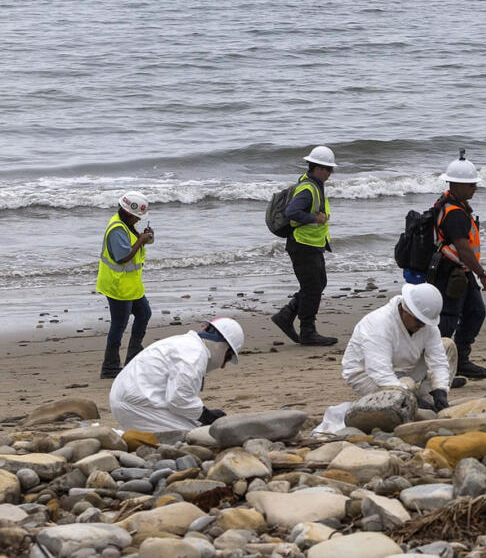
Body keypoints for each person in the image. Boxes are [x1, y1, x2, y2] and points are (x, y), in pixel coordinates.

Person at [109, 317, 243, 433]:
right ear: (223, 347)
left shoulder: (187, 344)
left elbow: (178, 401)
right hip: (138, 404)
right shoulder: (194, 355)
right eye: (228, 357)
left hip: (134, 398)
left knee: (195, 428)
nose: (223, 365)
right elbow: (179, 400)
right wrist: (207, 415)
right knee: (190, 438)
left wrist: (201, 415)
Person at [342, 283, 456, 411]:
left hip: (404, 368)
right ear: (405, 309)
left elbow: (438, 361)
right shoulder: (378, 324)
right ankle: (417, 403)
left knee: (447, 346)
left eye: (425, 322)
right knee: (406, 389)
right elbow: (380, 372)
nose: (422, 325)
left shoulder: (426, 324)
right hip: (366, 375)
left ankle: (430, 399)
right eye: (419, 321)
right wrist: (411, 398)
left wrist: (440, 389)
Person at [431, 151, 486, 381]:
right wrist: (482, 274)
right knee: (448, 321)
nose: (474, 188)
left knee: (475, 312)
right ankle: (440, 369)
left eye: (474, 183)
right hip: (451, 273)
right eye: (470, 184)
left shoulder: (452, 204)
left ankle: (461, 359)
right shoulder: (454, 213)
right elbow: (463, 249)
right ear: (455, 184)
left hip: (460, 272)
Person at [271, 146, 338, 346]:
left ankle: (286, 314)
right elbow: (292, 212)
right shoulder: (308, 189)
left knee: (318, 284)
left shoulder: (314, 185)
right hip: (302, 245)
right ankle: (308, 332)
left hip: (312, 245)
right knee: (312, 287)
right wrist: (314, 218)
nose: (330, 173)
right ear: (318, 168)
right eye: (328, 169)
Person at [96, 191, 155, 379]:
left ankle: (133, 357)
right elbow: (123, 257)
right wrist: (141, 240)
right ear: (128, 213)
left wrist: (145, 237)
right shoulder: (117, 229)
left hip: (131, 285)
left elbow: (134, 245)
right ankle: (110, 367)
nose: (138, 221)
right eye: (136, 217)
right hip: (118, 286)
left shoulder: (126, 225)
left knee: (144, 313)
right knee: (119, 325)